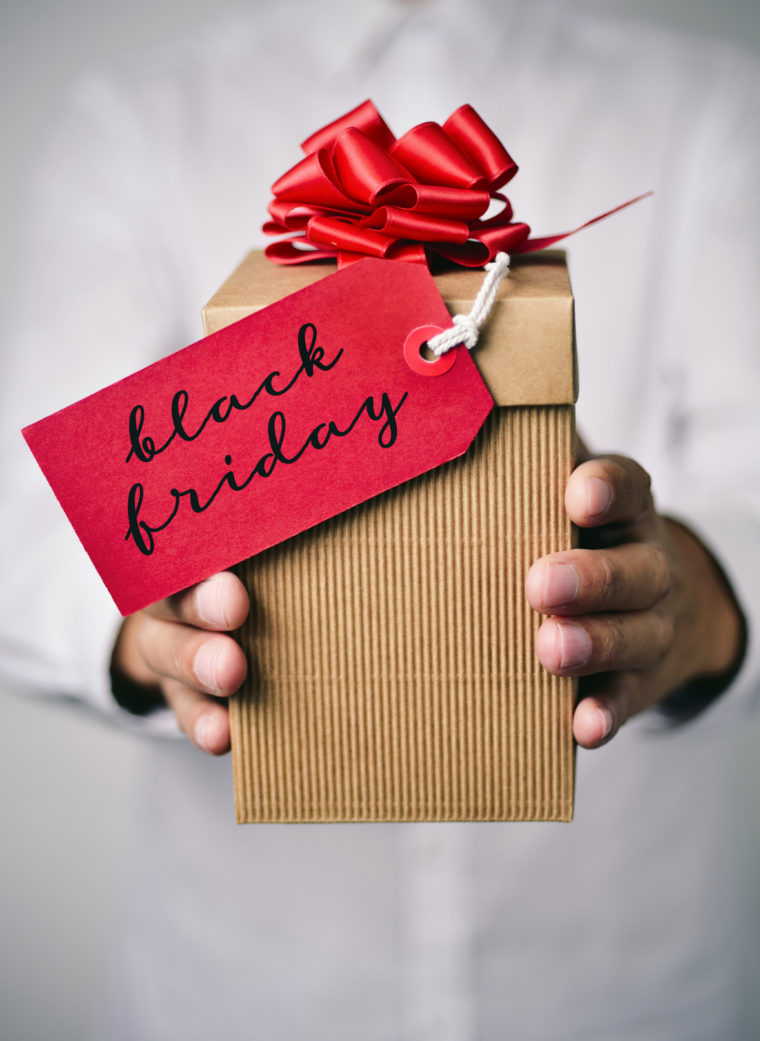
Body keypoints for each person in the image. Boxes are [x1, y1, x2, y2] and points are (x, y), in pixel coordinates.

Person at [2, 1, 759, 1038]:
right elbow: (28, 524)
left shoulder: (717, 106)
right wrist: (145, 626)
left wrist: (695, 602)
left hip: (631, 993)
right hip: (243, 997)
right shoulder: (132, 121)